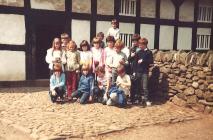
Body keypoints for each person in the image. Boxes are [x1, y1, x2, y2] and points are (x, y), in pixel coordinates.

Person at [134, 38, 153, 106]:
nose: (139, 46)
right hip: (138, 71)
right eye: (139, 44)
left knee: (145, 86)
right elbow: (135, 63)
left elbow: (151, 62)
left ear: (145, 45)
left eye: (140, 44)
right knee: (138, 86)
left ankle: (146, 99)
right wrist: (135, 71)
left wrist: (143, 61)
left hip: (145, 72)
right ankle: (138, 99)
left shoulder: (149, 52)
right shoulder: (139, 52)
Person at [128, 34, 141, 103]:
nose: (134, 42)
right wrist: (131, 56)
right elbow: (129, 59)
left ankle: (137, 98)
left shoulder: (140, 49)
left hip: (138, 68)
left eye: (136, 41)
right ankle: (132, 98)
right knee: (132, 83)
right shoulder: (132, 49)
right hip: (132, 68)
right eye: (133, 41)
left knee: (138, 84)